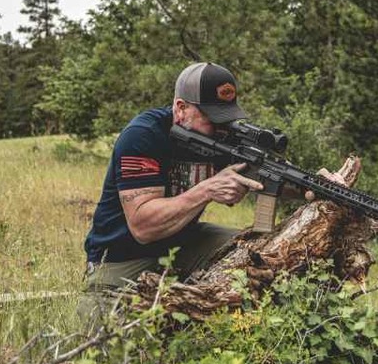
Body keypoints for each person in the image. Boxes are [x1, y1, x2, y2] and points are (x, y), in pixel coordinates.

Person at [78, 62, 264, 324]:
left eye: (225, 117)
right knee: (112, 339)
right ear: (180, 108)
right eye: (211, 118)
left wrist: (312, 184)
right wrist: (207, 189)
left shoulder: (221, 135)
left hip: (183, 243)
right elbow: (142, 227)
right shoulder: (143, 135)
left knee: (257, 251)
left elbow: (269, 173)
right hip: (121, 258)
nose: (220, 128)